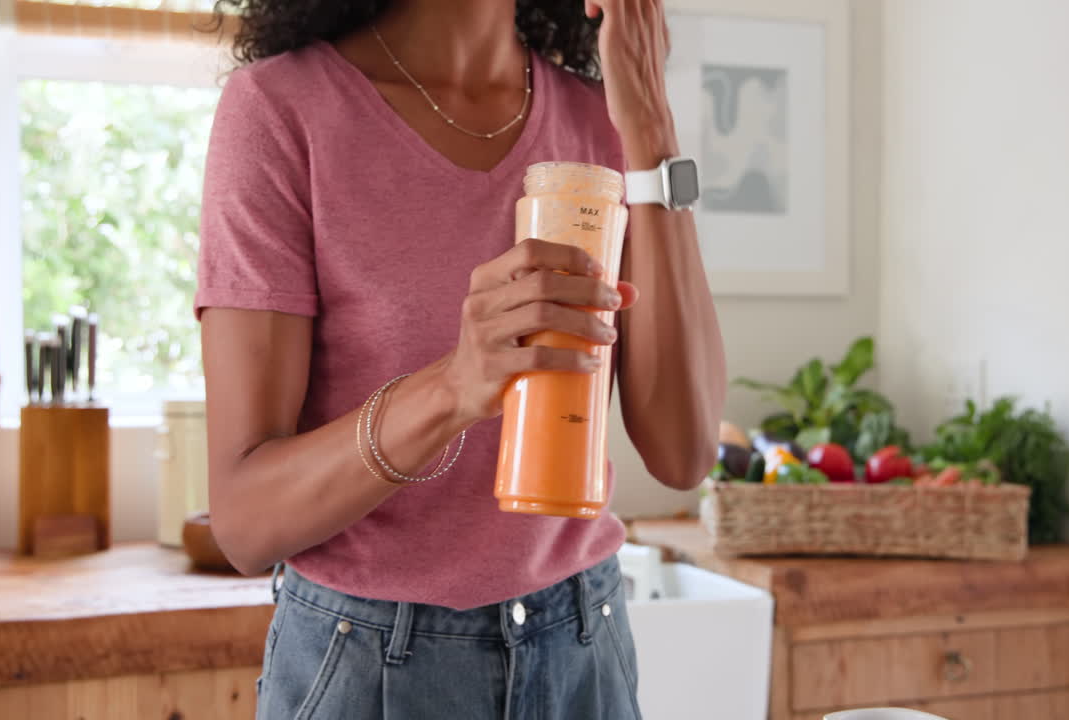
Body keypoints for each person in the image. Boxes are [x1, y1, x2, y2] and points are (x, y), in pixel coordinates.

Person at [196, 0, 724, 717]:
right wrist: (452, 388)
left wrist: (651, 124)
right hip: (366, 665)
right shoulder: (281, 110)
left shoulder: (603, 120)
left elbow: (684, 452)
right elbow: (245, 522)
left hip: (583, 655)